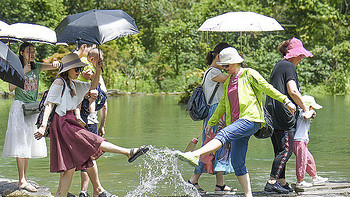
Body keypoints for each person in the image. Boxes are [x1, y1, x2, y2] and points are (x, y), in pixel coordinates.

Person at [176, 47, 296, 197]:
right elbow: (222, 105)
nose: (225, 69)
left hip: (251, 119)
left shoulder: (249, 74)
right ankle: (248, 195)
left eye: (227, 66)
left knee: (224, 134)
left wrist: (286, 100)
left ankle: (195, 154)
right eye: (223, 66)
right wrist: (210, 122)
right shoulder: (228, 82)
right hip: (237, 122)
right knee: (237, 162)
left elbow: (268, 88)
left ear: (235, 62)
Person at [33, 53, 149, 197]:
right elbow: (49, 104)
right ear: (67, 70)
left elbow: (93, 86)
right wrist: (43, 126)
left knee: (69, 167)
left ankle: (60, 195)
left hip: (70, 121)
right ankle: (127, 152)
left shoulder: (74, 84)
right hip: (62, 122)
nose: (79, 72)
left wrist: (98, 68)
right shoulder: (59, 83)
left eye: (79, 70)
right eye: (76, 70)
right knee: (91, 140)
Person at [2, 42, 59, 192]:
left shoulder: (37, 66)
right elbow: (10, 88)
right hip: (20, 108)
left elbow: (54, 66)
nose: (32, 54)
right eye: (29, 51)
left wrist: (56, 63)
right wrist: (23, 71)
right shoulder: (17, 67)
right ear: (21, 53)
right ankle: (21, 181)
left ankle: (25, 178)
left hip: (32, 109)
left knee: (28, 144)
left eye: (33, 51)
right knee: (21, 144)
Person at [264, 37, 315, 194]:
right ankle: (272, 181)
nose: (302, 58)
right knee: (287, 149)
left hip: (272, 113)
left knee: (280, 149)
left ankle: (281, 181)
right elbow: (292, 90)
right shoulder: (288, 66)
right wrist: (306, 109)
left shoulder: (280, 65)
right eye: (300, 55)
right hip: (283, 114)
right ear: (293, 54)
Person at [187, 43, 235, 194]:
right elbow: (233, 80)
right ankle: (193, 180)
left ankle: (219, 185)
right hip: (216, 113)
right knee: (211, 146)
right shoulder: (214, 72)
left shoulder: (215, 71)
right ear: (219, 56)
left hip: (220, 113)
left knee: (221, 147)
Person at [77, 48, 109, 197]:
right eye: (97, 59)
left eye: (100, 60)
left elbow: (104, 104)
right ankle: (89, 191)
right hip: (82, 117)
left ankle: (88, 191)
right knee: (87, 154)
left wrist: (102, 125)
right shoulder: (83, 66)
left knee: (89, 154)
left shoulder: (98, 74)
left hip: (91, 119)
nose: (98, 62)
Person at [294, 95, 328, 188]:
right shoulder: (302, 112)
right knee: (302, 161)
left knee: (309, 160)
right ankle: (300, 181)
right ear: (307, 106)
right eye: (312, 107)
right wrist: (311, 111)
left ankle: (315, 177)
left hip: (302, 141)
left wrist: (311, 114)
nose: (313, 109)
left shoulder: (303, 112)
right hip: (299, 141)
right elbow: (306, 116)